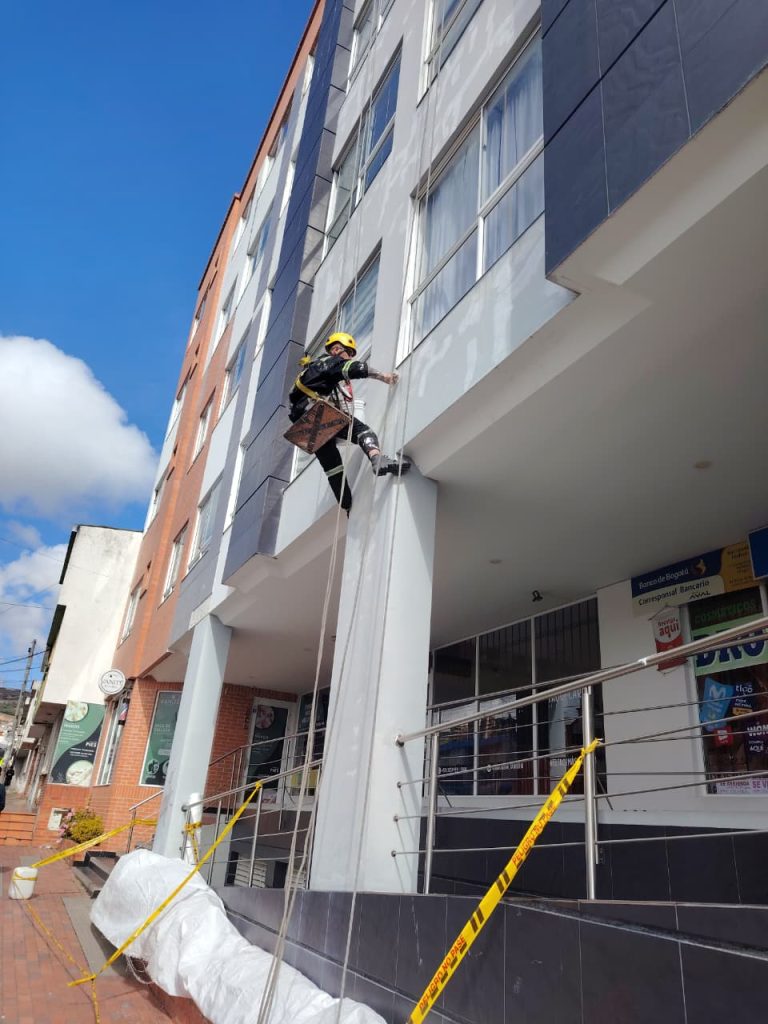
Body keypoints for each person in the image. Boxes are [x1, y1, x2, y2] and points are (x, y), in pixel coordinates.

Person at [288, 332, 409, 512]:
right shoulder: (331, 362)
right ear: (338, 349)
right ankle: (377, 459)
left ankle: (346, 504)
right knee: (362, 431)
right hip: (319, 414)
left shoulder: (311, 370)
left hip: (304, 425)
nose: (348, 358)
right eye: (348, 354)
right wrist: (383, 376)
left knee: (332, 466)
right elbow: (355, 368)